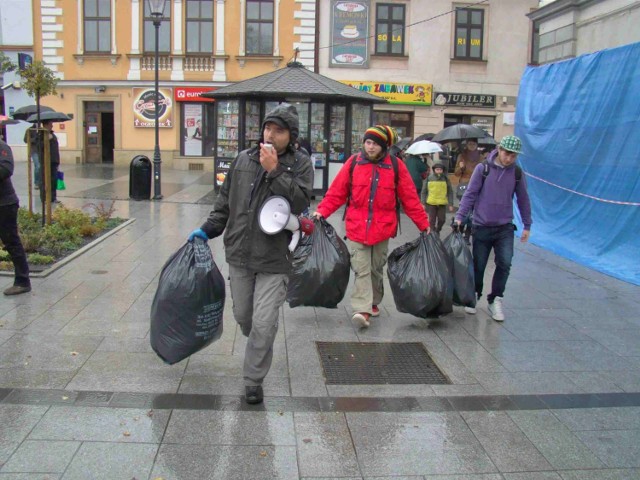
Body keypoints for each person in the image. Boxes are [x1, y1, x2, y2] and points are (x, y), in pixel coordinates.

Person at [188, 104, 313, 404]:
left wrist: (275, 171)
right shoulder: (243, 159)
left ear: (291, 136)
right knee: (244, 316)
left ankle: (253, 380)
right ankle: (258, 338)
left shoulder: (300, 163)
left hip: (274, 258)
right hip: (241, 252)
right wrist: (207, 230)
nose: (270, 134)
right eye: (268, 127)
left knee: (263, 322)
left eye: (279, 130)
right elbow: (224, 203)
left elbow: (298, 202)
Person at [313, 125, 430, 329]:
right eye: (368, 142)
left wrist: (423, 224)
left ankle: (373, 301)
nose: (370, 147)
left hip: (382, 228)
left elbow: (409, 198)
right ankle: (362, 309)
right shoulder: (354, 163)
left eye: (375, 143)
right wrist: (321, 211)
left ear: (384, 146)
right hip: (357, 227)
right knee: (362, 269)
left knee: (376, 268)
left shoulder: (396, 166)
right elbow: (337, 192)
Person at [455, 135, 532, 322]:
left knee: (505, 263)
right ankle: (475, 294)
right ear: (499, 149)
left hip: (505, 227)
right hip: (482, 225)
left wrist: (527, 224)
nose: (509, 158)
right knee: (479, 264)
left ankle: (496, 299)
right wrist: (460, 216)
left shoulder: (517, 173)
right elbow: (470, 194)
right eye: (507, 154)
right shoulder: (484, 169)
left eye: (514, 156)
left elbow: (523, 199)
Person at [0, 139, 32, 296]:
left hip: (4, 204)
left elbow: (5, 169)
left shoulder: (2, 147)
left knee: (11, 242)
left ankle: (22, 281)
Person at [454, 138, 482, 243]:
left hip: (477, 186)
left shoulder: (481, 157)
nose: (471, 145)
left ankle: (467, 234)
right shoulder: (462, 156)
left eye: (474, 144)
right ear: (466, 145)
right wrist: (461, 168)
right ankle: (460, 232)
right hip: (464, 185)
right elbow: (456, 173)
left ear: (476, 145)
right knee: (464, 208)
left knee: (473, 212)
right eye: (470, 143)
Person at [421, 162, 454, 235]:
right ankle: (432, 234)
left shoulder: (445, 179)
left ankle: (438, 230)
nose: (439, 171)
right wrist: (423, 203)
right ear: (434, 170)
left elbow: (450, 192)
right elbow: (424, 191)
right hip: (432, 203)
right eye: (437, 169)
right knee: (431, 220)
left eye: (440, 170)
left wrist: (451, 204)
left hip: (442, 203)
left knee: (442, 220)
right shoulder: (429, 178)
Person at [39, 121, 60, 203]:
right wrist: (46, 140)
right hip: (45, 161)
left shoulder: (52, 134)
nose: (52, 125)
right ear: (46, 124)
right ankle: (44, 198)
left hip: (54, 161)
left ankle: (53, 198)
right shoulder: (40, 134)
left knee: (54, 180)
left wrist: (57, 161)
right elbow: (39, 146)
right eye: (50, 124)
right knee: (45, 180)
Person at [23, 125, 41, 189]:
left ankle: (41, 182)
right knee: (38, 166)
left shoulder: (41, 129)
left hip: (41, 150)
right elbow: (25, 140)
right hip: (34, 150)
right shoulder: (29, 130)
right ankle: (37, 183)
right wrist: (34, 139)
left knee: (42, 167)